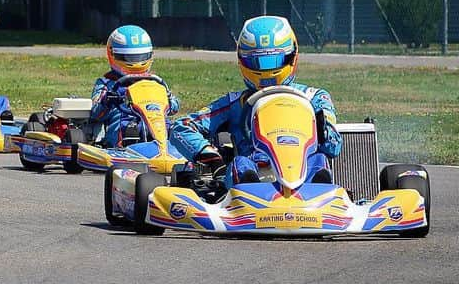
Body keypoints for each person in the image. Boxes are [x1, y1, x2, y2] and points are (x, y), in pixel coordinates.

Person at [169, 15, 342, 187]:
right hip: (252, 177)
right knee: (241, 165)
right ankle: (250, 194)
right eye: (257, 62)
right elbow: (181, 127)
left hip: (303, 173)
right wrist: (211, 158)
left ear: (292, 56)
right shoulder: (236, 103)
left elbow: (334, 147)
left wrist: (323, 130)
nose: (266, 70)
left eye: (274, 60)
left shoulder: (315, 98)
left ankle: (319, 195)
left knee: (319, 161)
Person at [90, 25, 179, 146]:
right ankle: (124, 149)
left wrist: (170, 101)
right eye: (128, 58)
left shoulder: (155, 82)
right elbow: (96, 113)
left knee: (174, 128)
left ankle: (173, 147)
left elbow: (173, 108)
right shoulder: (107, 82)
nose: (136, 63)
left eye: (140, 57)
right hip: (124, 120)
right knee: (129, 129)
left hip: (156, 119)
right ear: (113, 54)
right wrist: (107, 100)